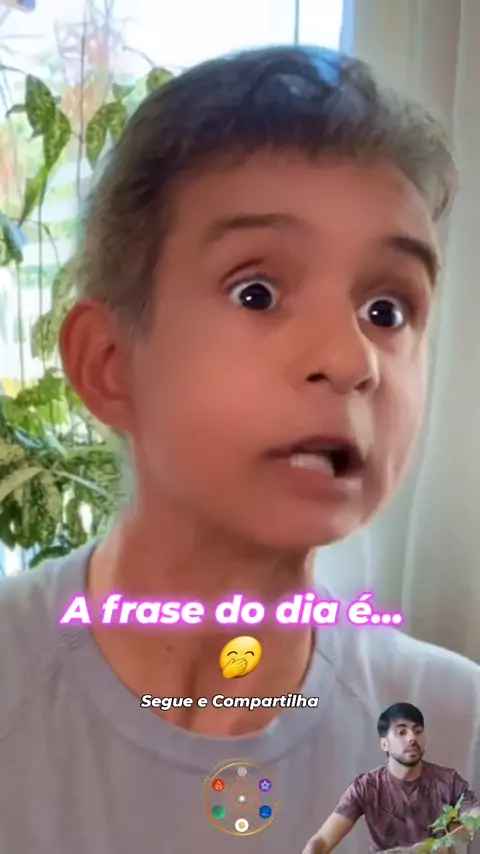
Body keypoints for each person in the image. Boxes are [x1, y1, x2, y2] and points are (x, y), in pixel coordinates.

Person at [0, 44, 479, 854]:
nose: (352, 359)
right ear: (109, 364)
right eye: (256, 292)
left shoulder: (456, 732)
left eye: (388, 310)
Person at [302, 703, 480, 853]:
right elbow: (323, 841)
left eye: (417, 731)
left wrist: (446, 842)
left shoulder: (448, 781)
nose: (412, 738)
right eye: (402, 732)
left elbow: (474, 815)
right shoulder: (366, 787)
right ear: (384, 744)